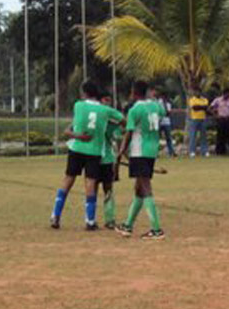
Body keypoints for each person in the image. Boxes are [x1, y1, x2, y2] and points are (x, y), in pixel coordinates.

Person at [50, 81, 124, 230]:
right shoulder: (105, 110)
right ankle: (90, 221)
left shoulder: (78, 105)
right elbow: (124, 120)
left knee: (68, 180)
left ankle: (55, 215)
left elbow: (77, 125)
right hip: (94, 151)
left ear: (85, 93)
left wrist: (78, 135)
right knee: (90, 184)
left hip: (76, 148)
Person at [115, 80, 166, 239]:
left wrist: (120, 152)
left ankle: (156, 229)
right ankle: (128, 225)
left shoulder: (134, 110)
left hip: (139, 151)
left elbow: (129, 134)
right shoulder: (156, 106)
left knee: (145, 187)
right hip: (152, 150)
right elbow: (162, 113)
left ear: (134, 92)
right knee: (138, 189)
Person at [99, 92, 123, 228]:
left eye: (109, 101)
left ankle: (110, 219)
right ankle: (89, 219)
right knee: (92, 188)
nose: (107, 103)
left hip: (108, 159)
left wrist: (118, 159)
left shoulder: (113, 123)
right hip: (94, 157)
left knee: (108, 189)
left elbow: (118, 139)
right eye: (105, 100)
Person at [211, 88, 229, 155]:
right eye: (227, 93)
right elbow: (211, 108)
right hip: (221, 119)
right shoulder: (218, 100)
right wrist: (215, 116)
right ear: (224, 93)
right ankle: (219, 151)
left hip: (228, 119)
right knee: (220, 136)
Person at [187, 88, 209, 157]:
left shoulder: (204, 99)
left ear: (200, 92)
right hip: (194, 119)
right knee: (193, 136)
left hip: (203, 119)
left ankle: (204, 151)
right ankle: (192, 152)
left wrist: (199, 107)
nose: (197, 93)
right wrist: (201, 107)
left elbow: (206, 107)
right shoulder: (192, 99)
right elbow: (194, 108)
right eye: (196, 92)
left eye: (198, 92)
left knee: (203, 136)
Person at [154, 89, 175, 158]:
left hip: (166, 122)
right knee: (157, 138)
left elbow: (168, 113)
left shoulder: (168, 104)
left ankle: (171, 152)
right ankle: (155, 153)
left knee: (168, 138)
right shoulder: (157, 103)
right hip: (159, 122)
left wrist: (164, 112)